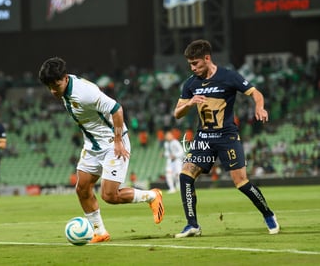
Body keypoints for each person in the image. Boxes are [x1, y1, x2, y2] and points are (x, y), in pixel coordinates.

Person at [38, 57, 164, 243]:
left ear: (65, 78)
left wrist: (119, 140)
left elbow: (117, 109)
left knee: (110, 195)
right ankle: (99, 232)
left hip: (112, 143)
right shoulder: (65, 87)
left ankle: (152, 195)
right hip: (92, 145)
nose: (53, 91)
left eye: (55, 85)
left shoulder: (84, 93)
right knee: (82, 189)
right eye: (49, 87)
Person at [173, 40, 280, 237]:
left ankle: (268, 214)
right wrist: (190, 103)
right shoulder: (190, 83)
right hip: (203, 138)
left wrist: (259, 107)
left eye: (196, 63)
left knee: (241, 182)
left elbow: (256, 93)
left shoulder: (228, 76)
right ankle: (192, 225)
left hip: (226, 137)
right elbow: (177, 113)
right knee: (185, 176)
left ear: (207, 58)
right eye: (190, 64)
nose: (193, 67)